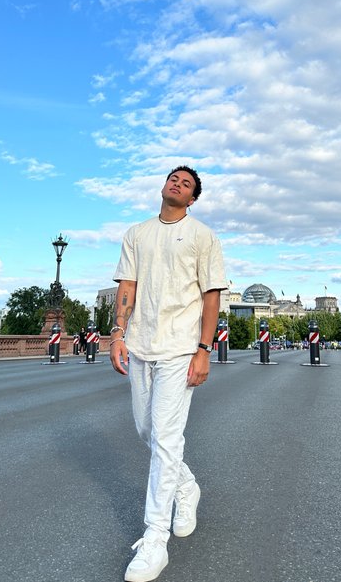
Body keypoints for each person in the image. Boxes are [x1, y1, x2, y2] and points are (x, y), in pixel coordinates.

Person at [110, 165, 227, 582]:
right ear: (164, 186)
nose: (177, 184)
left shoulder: (202, 236)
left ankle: (155, 538)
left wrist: (204, 349)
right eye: (173, 179)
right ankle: (186, 485)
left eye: (186, 184)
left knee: (165, 438)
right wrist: (118, 333)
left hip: (180, 347)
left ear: (192, 199)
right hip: (141, 343)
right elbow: (127, 287)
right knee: (146, 430)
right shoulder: (137, 233)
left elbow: (211, 297)